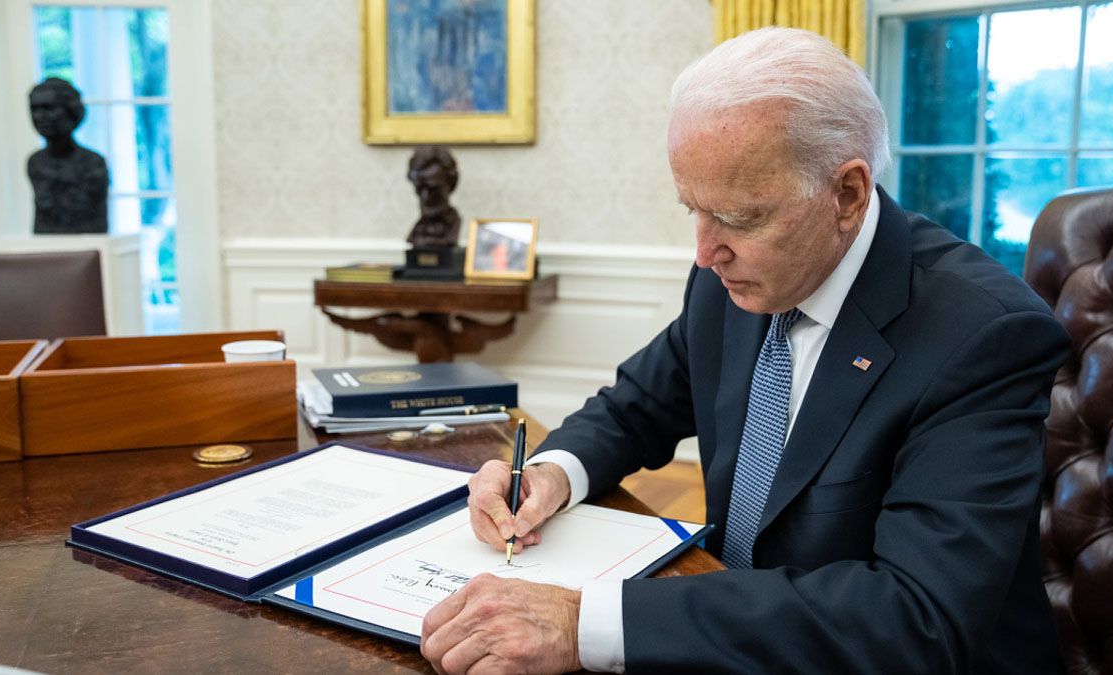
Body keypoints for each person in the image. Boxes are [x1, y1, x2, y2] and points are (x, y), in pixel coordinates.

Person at [420, 27, 1071, 674]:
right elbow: (636, 406)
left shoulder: (982, 335)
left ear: (846, 194)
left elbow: (913, 616)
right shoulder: (730, 279)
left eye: (739, 217)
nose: (705, 252)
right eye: (693, 211)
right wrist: (551, 474)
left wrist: (581, 621)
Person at [27, 77, 109, 234]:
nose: (41, 116)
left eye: (49, 108)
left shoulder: (92, 163)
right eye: (35, 109)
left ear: (70, 111)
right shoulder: (35, 163)